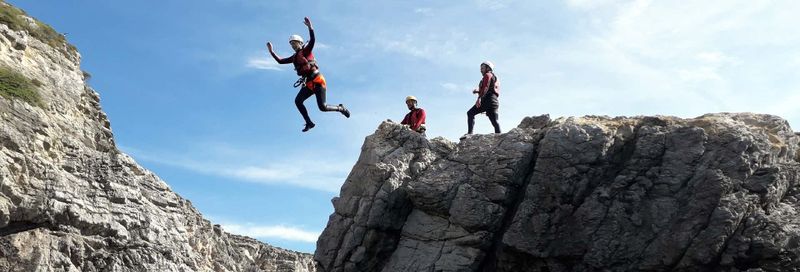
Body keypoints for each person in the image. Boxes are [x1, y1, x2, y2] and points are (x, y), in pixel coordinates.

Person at [266, 17, 350, 132]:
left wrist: (310, 28)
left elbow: (312, 40)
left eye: (295, 43)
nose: (293, 46)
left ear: (300, 43)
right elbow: (280, 61)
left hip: (318, 80)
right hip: (308, 83)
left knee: (323, 107)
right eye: (292, 45)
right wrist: (272, 52)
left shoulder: (306, 51)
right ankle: (309, 122)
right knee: (298, 101)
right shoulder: (294, 57)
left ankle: (340, 108)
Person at [464, 61, 500, 138]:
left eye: (482, 68)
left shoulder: (487, 75)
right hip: (494, 101)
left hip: (487, 100)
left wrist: (479, 98)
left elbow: (486, 87)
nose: (481, 70)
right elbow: (489, 88)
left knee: (470, 113)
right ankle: (499, 137)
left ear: (488, 68)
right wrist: (478, 91)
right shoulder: (493, 76)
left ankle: (470, 133)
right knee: (495, 122)